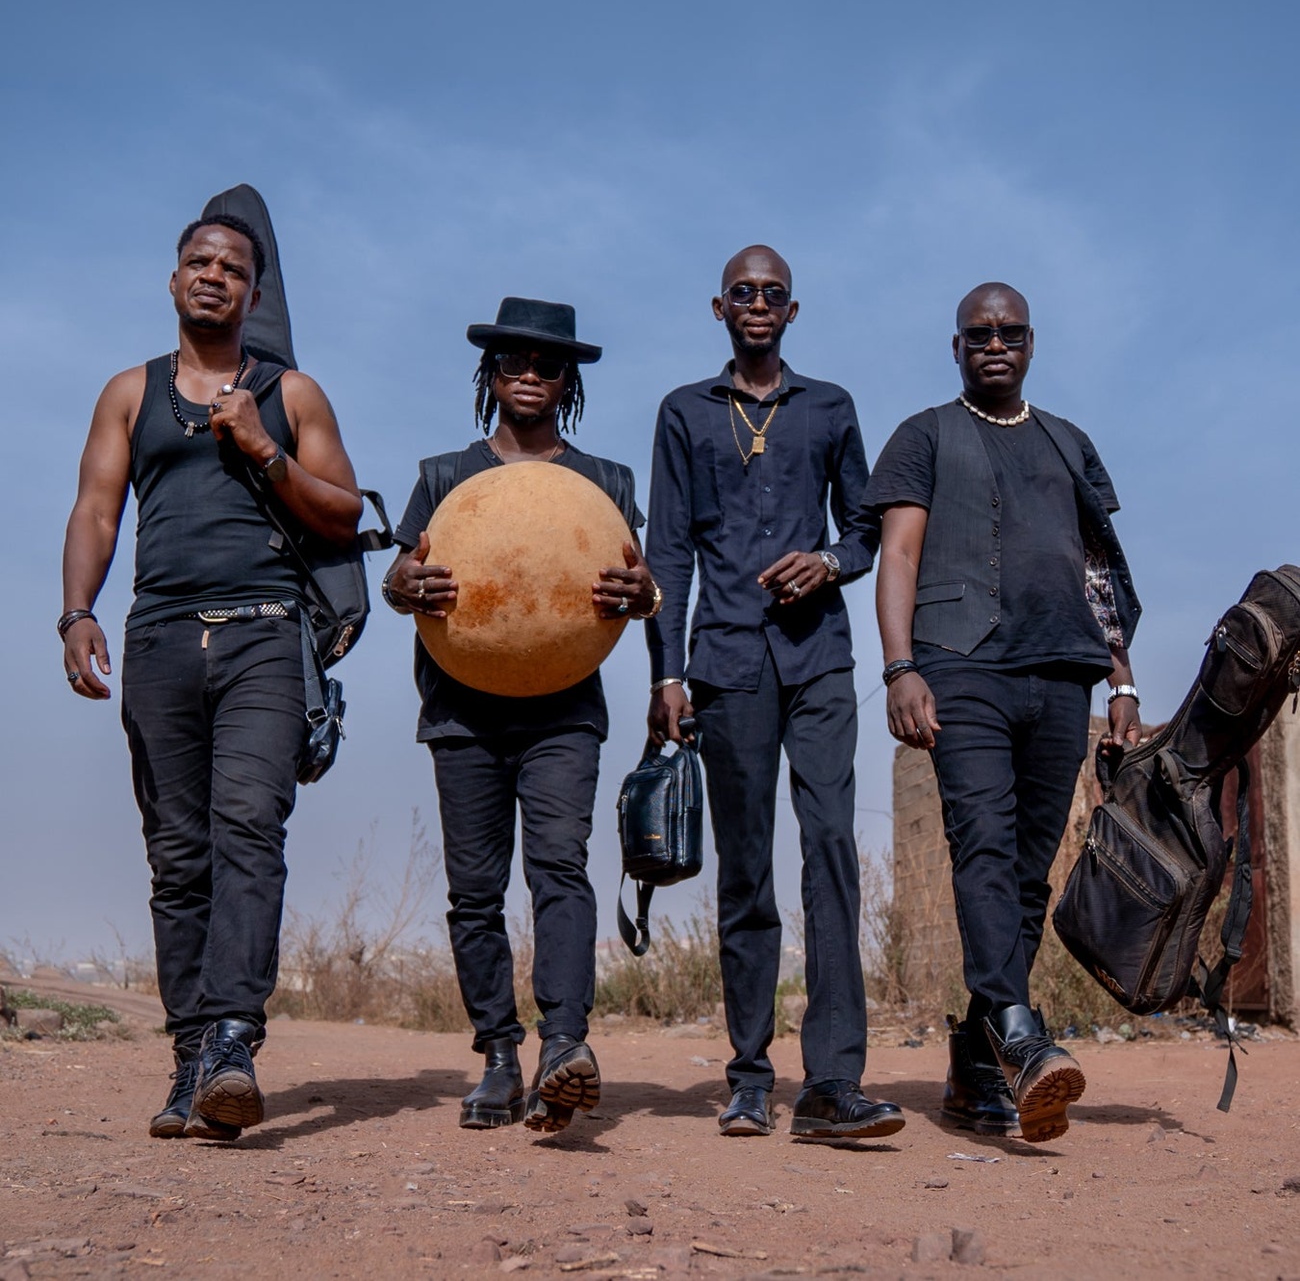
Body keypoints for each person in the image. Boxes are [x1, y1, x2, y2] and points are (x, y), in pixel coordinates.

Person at [60, 213, 362, 1140]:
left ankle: (234, 1040)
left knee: (249, 827)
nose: (213, 275)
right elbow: (98, 510)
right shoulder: (130, 392)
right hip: (157, 637)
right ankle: (191, 1055)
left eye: (233, 268)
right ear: (173, 279)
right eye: (199, 261)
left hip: (264, 633)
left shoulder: (292, 393)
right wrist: (77, 612)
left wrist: (264, 446)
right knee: (178, 853)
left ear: (254, 295)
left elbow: (345, 513)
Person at [867, 282, 1142, 1143]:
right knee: (981, 841)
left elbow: (1097, 569)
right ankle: (1020, 1035)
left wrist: (1122, 681)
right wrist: (900, 667)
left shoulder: (1068, 441)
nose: (995, 345)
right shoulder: (923, 434)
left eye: (1010, 333)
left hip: (1062, 669)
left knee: (1027, 872)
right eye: (979, 334)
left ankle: (975, 1061)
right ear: (956, 347)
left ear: (1031, 344)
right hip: (961, 664)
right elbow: (898, 553)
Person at [644, 246, 904, 1140]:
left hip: (818, 658)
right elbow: (667, 550)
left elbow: (865, 527)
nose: (758, 303)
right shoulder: (683, 411)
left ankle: (832, 1079)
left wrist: (828, 560)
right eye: (743, 292)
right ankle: (750, 1076)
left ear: (793, 312)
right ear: (719, 308)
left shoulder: (830, 407)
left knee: (830, 848)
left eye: (774, 294)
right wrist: (666, 673)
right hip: (725, 664)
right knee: (745, 865)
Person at [385, 298, 658, 1134]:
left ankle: (564, 1045)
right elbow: (400, 576)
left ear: (568, 380)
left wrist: (643, 594)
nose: (530, 376)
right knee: (475, 891)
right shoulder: (444, 476)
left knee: (559, 869)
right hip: (460, 711)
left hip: (564, 710)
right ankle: (499, 1058)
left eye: (548, 365)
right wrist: (402, 585)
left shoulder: (607, 483)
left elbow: (642, 585)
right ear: (490, 374)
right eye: (513, 362)